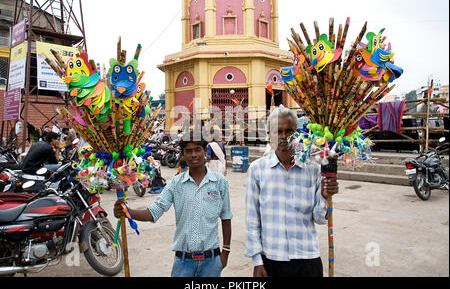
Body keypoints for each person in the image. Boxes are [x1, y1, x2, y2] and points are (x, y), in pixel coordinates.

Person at [114, 138, 233, 277]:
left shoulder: (220, 182)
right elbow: (154, 212)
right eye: (188, 151)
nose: (193, 154)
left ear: (205, 151)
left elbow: (226, 217)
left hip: (211, 262)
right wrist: (127, 211)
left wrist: (225, 252)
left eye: (197, 149)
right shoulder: (175, 184)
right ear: (183, 154)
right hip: (183, 264)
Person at [245, 107, 339, 277]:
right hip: (271, 259)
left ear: (297, 133)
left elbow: (319, 218)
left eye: (289, 131)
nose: (283, 136)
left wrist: (325, 197)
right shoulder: (257, 169)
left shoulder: (314, 169)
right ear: (269, 134)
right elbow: (252, 220)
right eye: (277, 131)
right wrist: (257, 260)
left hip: (307, 258)